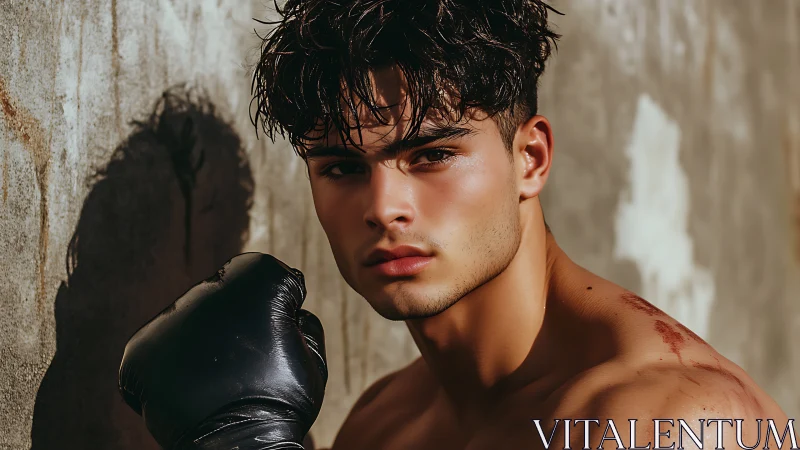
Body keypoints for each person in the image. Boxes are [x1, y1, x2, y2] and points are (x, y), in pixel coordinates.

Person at [120, 1, 790, 449]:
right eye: (343, 167)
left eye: (432, 155)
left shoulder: (668, 420)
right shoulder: (381, 427)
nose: (383, 207)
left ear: (530, 159)